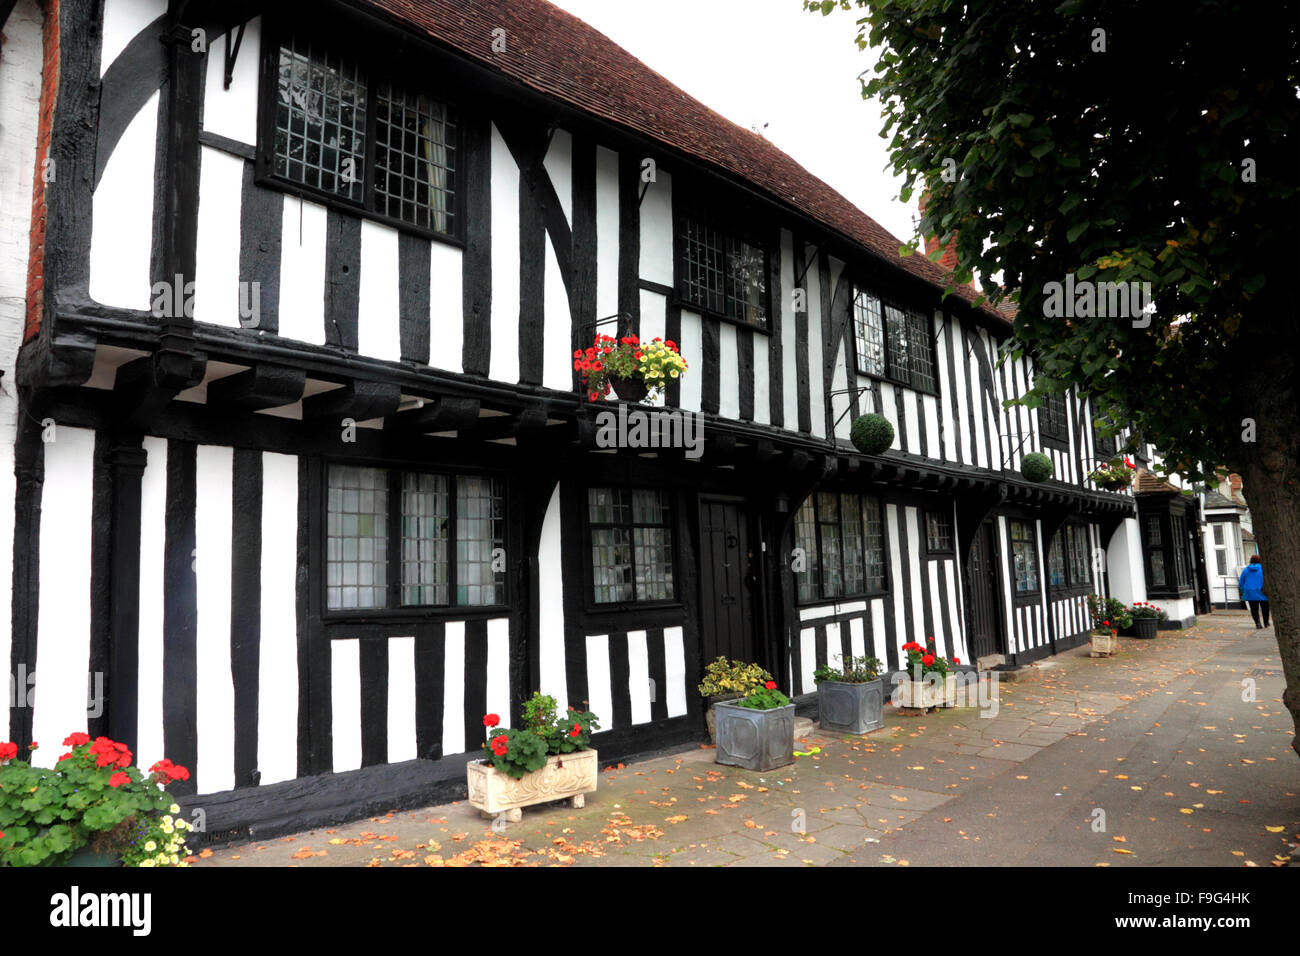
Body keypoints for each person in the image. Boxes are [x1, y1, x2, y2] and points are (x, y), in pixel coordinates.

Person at [1238, 555, 1269, 628]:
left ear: (1251, 560)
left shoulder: (1245, 570)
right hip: (1262, 591)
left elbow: (1241, 582)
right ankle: (1266, 622)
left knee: (1254, 609)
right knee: (1265, 608)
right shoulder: (1263, 569)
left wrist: (1243, 590)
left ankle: (1258, 623)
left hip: (1250, 592)